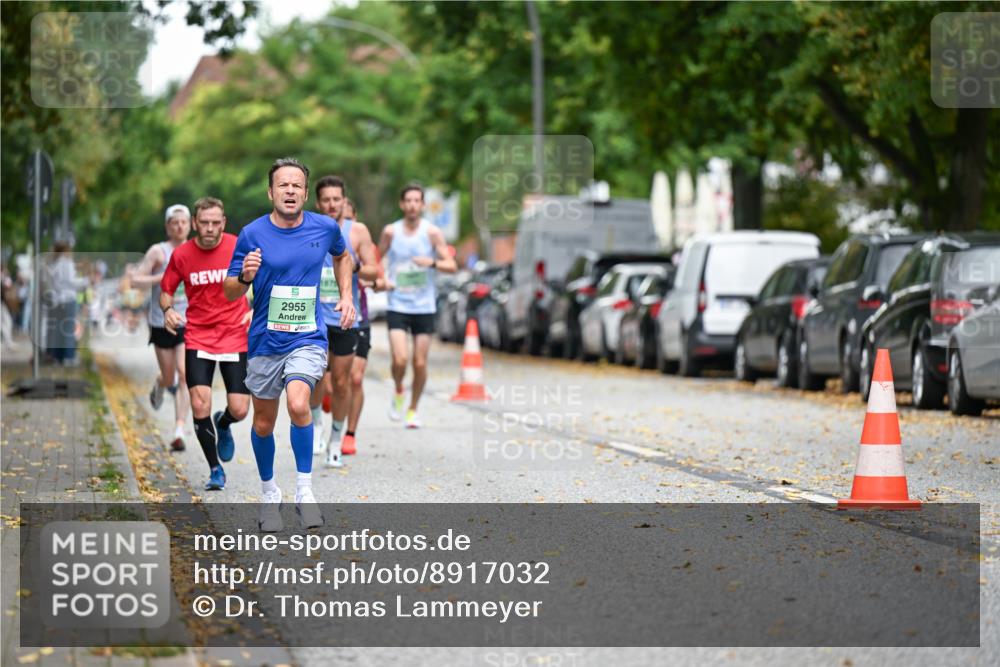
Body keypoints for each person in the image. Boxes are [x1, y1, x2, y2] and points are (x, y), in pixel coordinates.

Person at [224, 157, 356, 532]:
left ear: (305, 193)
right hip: (265, 341)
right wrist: (244, 277)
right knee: (263, 423)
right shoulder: (251, 234)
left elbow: (343, 256)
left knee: (299, 404)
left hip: (307, 338)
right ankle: (270, 494)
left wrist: (346, 296)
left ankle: (304, 491)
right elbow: (229, 291)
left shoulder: (325, 227)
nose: (290, 191)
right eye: (283, 185)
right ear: (271, 192)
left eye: (297, 185)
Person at [160, 197, 252, 491]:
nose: (210, 228)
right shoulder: (182, 255)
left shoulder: (238, 246)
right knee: (200, 402)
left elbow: (263, 279)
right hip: (198, 335)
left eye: (215, 222)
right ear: (195, 223)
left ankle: (223, 423)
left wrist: (255, 309)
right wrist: (168, 310)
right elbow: (166, 290)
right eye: (204, 223)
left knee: (240, 409)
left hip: (235, 334)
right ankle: (215, 469)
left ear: (223, 223)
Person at [309, 177, 378, 468]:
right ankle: (315, 425)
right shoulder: (307, 227)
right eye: (326, 199)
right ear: (318, 202)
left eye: (336, 199)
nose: (331, 204)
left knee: (341, 381)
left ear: (344, 201)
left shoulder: (358, 231)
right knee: (314, 375)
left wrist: (354, 265)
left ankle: (336, 439)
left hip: (346, 317)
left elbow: (374, 271)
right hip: (314, 316)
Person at [378, 184, 457, 428]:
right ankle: (398, 389)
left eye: (416, 201)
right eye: (408, 201)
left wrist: (431, 263)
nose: (412, 205)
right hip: (398, 304)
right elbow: (377, 259)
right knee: (400, 360)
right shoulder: (391, 231)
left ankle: (413, 409)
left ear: (422, 205)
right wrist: (382, 279)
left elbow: (451, 265)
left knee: (420, 363)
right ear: (402, 204)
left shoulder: (431, 232)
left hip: (424, 306)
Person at [130, 205, 192, 451]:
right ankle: (160, 383)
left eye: (183, 222)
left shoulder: (195, 250)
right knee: (169, 377)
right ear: (168, 227)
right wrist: (164, 277)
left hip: (187, 321)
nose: (179, 226)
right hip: (161, 321)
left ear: (190, 225)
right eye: (175, 222)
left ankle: (179, 431)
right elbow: (135, 280)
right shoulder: (159, 251)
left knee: (184, 373)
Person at [342, 198, 387, 460]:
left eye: (349, 217)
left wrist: (371, 278)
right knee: (331, 383)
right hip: (329, 319)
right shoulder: (322, 239)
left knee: (356, 378)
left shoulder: (365, 244)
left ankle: (350, 433)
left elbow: (379, 278)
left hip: (360, 318)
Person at [42, 240, 88, 365]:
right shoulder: (66, 263)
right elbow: (71, 282)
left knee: (58, 330)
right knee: (68, 329)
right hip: (68, 299)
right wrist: (85, 281)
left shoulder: (53, 263)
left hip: (56, 300)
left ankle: (57, 357)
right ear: (66, 250)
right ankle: (68, 356)